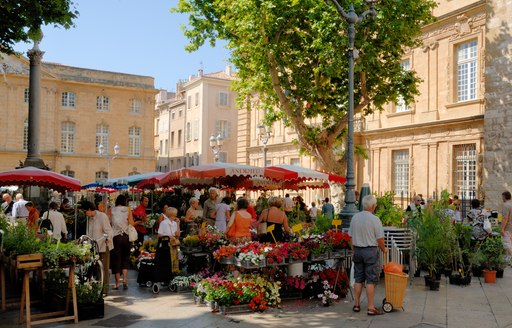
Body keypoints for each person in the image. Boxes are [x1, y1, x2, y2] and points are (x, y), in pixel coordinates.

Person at [349, 194, 387, 316]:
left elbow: (350, 237)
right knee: (370, 279)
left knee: (358, 278)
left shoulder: (355, 217)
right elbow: (380, 239)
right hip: (370, 251)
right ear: (373, 206)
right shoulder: (375, 219)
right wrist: (384, 249)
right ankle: (371, 307)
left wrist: (354, 249)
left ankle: (357, 304)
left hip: (358, 251)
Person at [82, 201, 114, 295]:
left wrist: (107, 237)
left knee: (104, 268)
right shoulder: (90, 219)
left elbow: (109, 231)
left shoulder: (102, 216)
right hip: (93, 248)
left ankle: (104, 290)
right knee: (95, 268)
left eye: (85, 212)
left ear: (89, 209)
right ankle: (96, 288)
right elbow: (89, 234)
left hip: (103, 246)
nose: (85, 214)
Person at [109, 195, 135, 290]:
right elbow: (131, 223)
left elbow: (109, 222)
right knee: (125, 258)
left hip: (115, 237)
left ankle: (117, 283)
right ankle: (124, 279)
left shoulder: (111, 210)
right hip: (126, 236)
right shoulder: (128, 210)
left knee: (116, 259)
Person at [156, 207, 181, 280]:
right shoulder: (164, 223)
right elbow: (159, 234)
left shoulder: (174, 223)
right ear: (171, 215)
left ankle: (173, 275)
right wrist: (167, 235)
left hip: (173, 244)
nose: (176, 216)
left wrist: (178, 224)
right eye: (175, 214)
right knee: (167, 261)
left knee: (175, 259)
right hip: (166, 243)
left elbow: (178, 234)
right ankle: (167, 277)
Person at [500, 191, 512, 265]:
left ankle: (509, 259)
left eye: (502, 197)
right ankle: (508, 260)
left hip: (507, 228)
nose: (502, 198)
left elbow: (505, 218)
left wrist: (502, 229)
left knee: (506, 244)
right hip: (511, 227)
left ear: (504, 197)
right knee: (509, 243)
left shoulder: (506, 205)